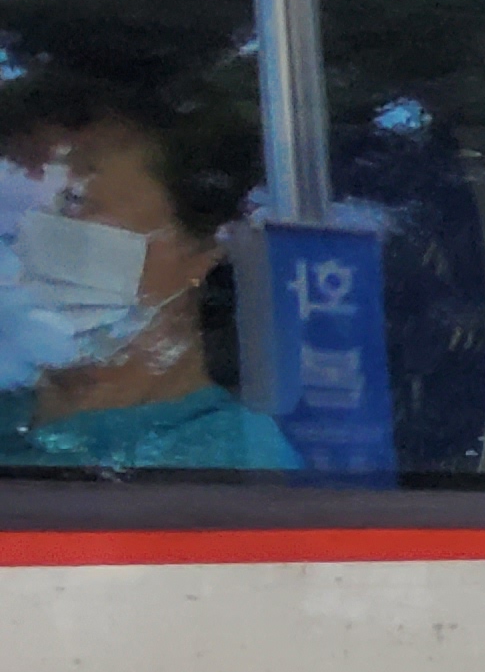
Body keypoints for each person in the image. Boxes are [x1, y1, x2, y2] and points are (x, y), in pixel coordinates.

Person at [0, 77, 295, 474]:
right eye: (16, 209)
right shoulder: (13, 416)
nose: (26, 239)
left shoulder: (225, 466)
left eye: (76, 204)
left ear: (199, 251)